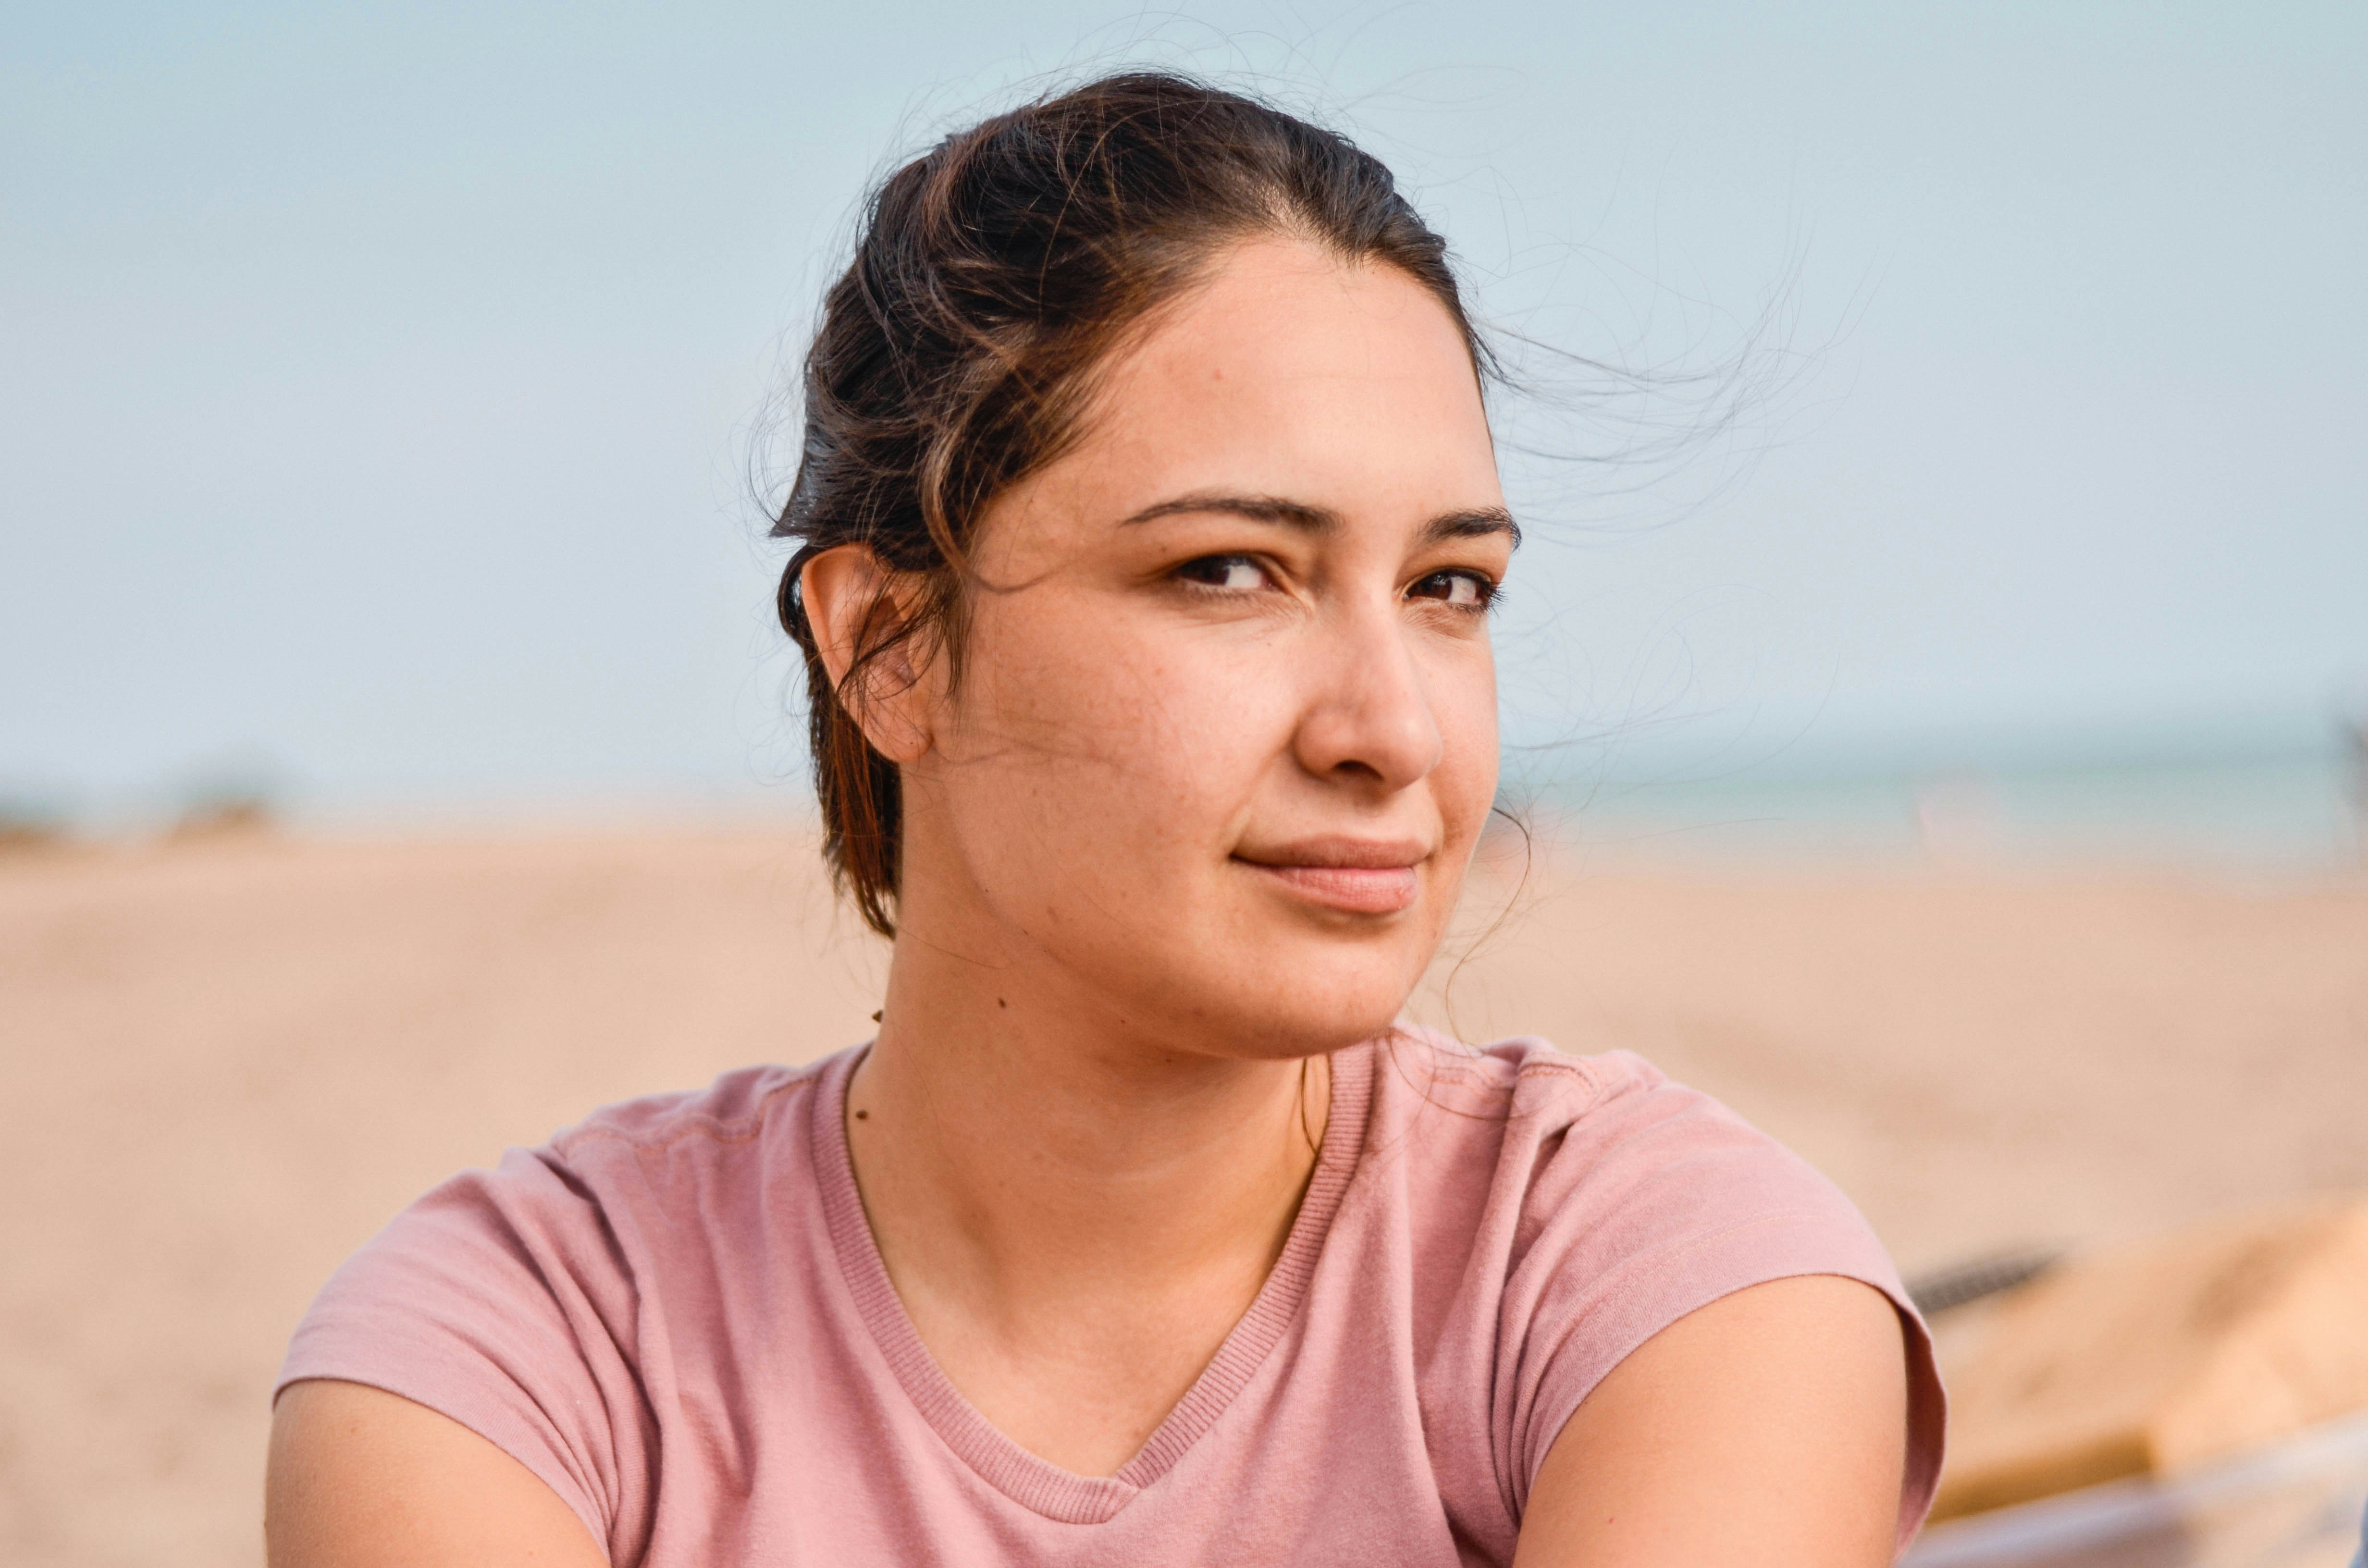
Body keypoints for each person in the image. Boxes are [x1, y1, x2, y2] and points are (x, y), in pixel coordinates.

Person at [264, 73, 1943, 1566]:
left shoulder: (1669, 1281)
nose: (1394, 732)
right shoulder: (516, 1353)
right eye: (1229, 571)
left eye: (1449, 587)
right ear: (889, 647)